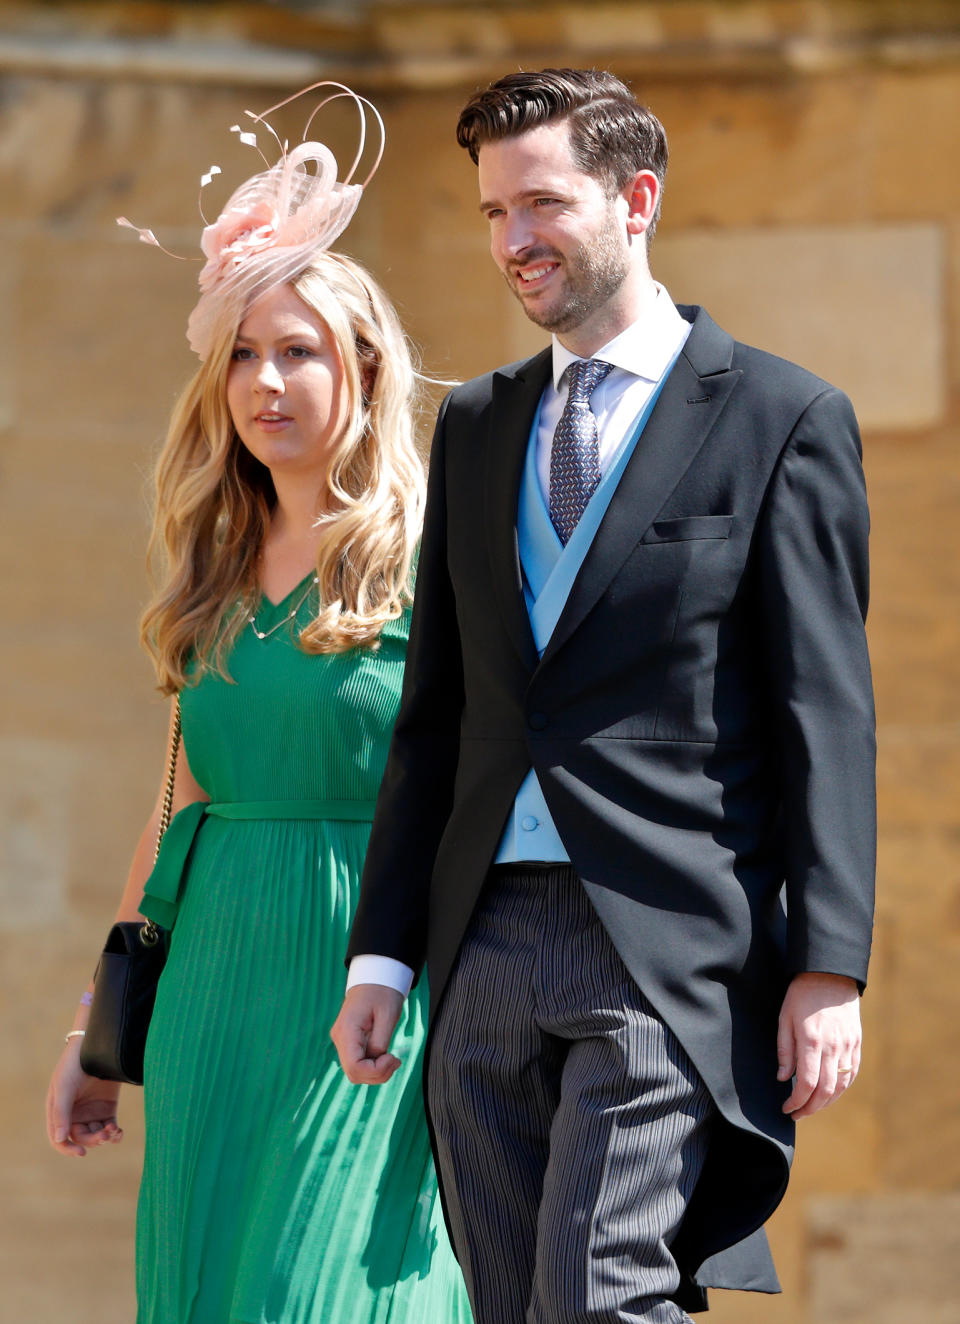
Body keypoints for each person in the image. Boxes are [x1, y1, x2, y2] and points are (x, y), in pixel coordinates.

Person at [332, 68, 876, 1324]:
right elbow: (438, 715)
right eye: (490, 214)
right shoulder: (474, 427)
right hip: (482, 943)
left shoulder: (782, 419)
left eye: (541, 204)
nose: (513, 240)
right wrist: (386, 953)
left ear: (636, 199)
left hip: (665, 941)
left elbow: (824, 714)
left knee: (599, 1296)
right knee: (519, 1302)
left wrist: (828, 965)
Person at [45, 84, 472, 1324]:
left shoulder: (436, 558)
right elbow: (175, 805)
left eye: (299, 349)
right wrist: (99, 1028)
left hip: (371, 984)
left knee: (326, 1292)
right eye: (241, 350)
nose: (265, 379)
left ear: (365, 367)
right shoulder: (209, 573)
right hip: (213, 988)